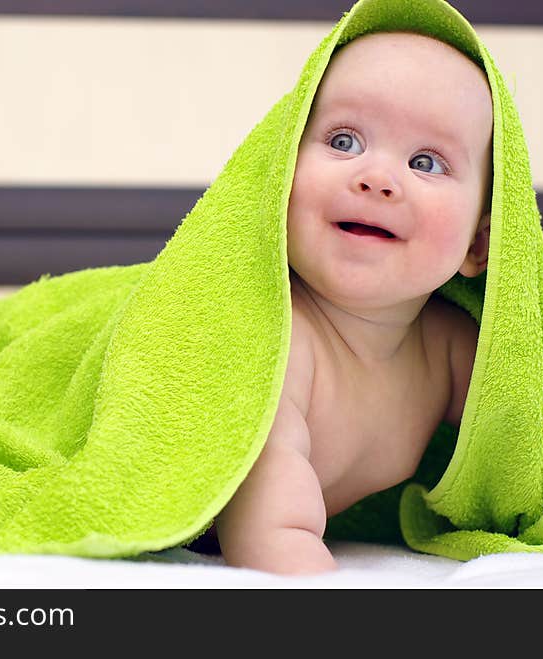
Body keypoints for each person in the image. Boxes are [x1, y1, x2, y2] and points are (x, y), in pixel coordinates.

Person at [192, 30, 494, 574]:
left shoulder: (454, 350)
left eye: (426, 162)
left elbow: (527, 444)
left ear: (478, 244)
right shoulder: (277, 341)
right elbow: (269, 529)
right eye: (344, 141)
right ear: (279, 173)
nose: (377, 178)